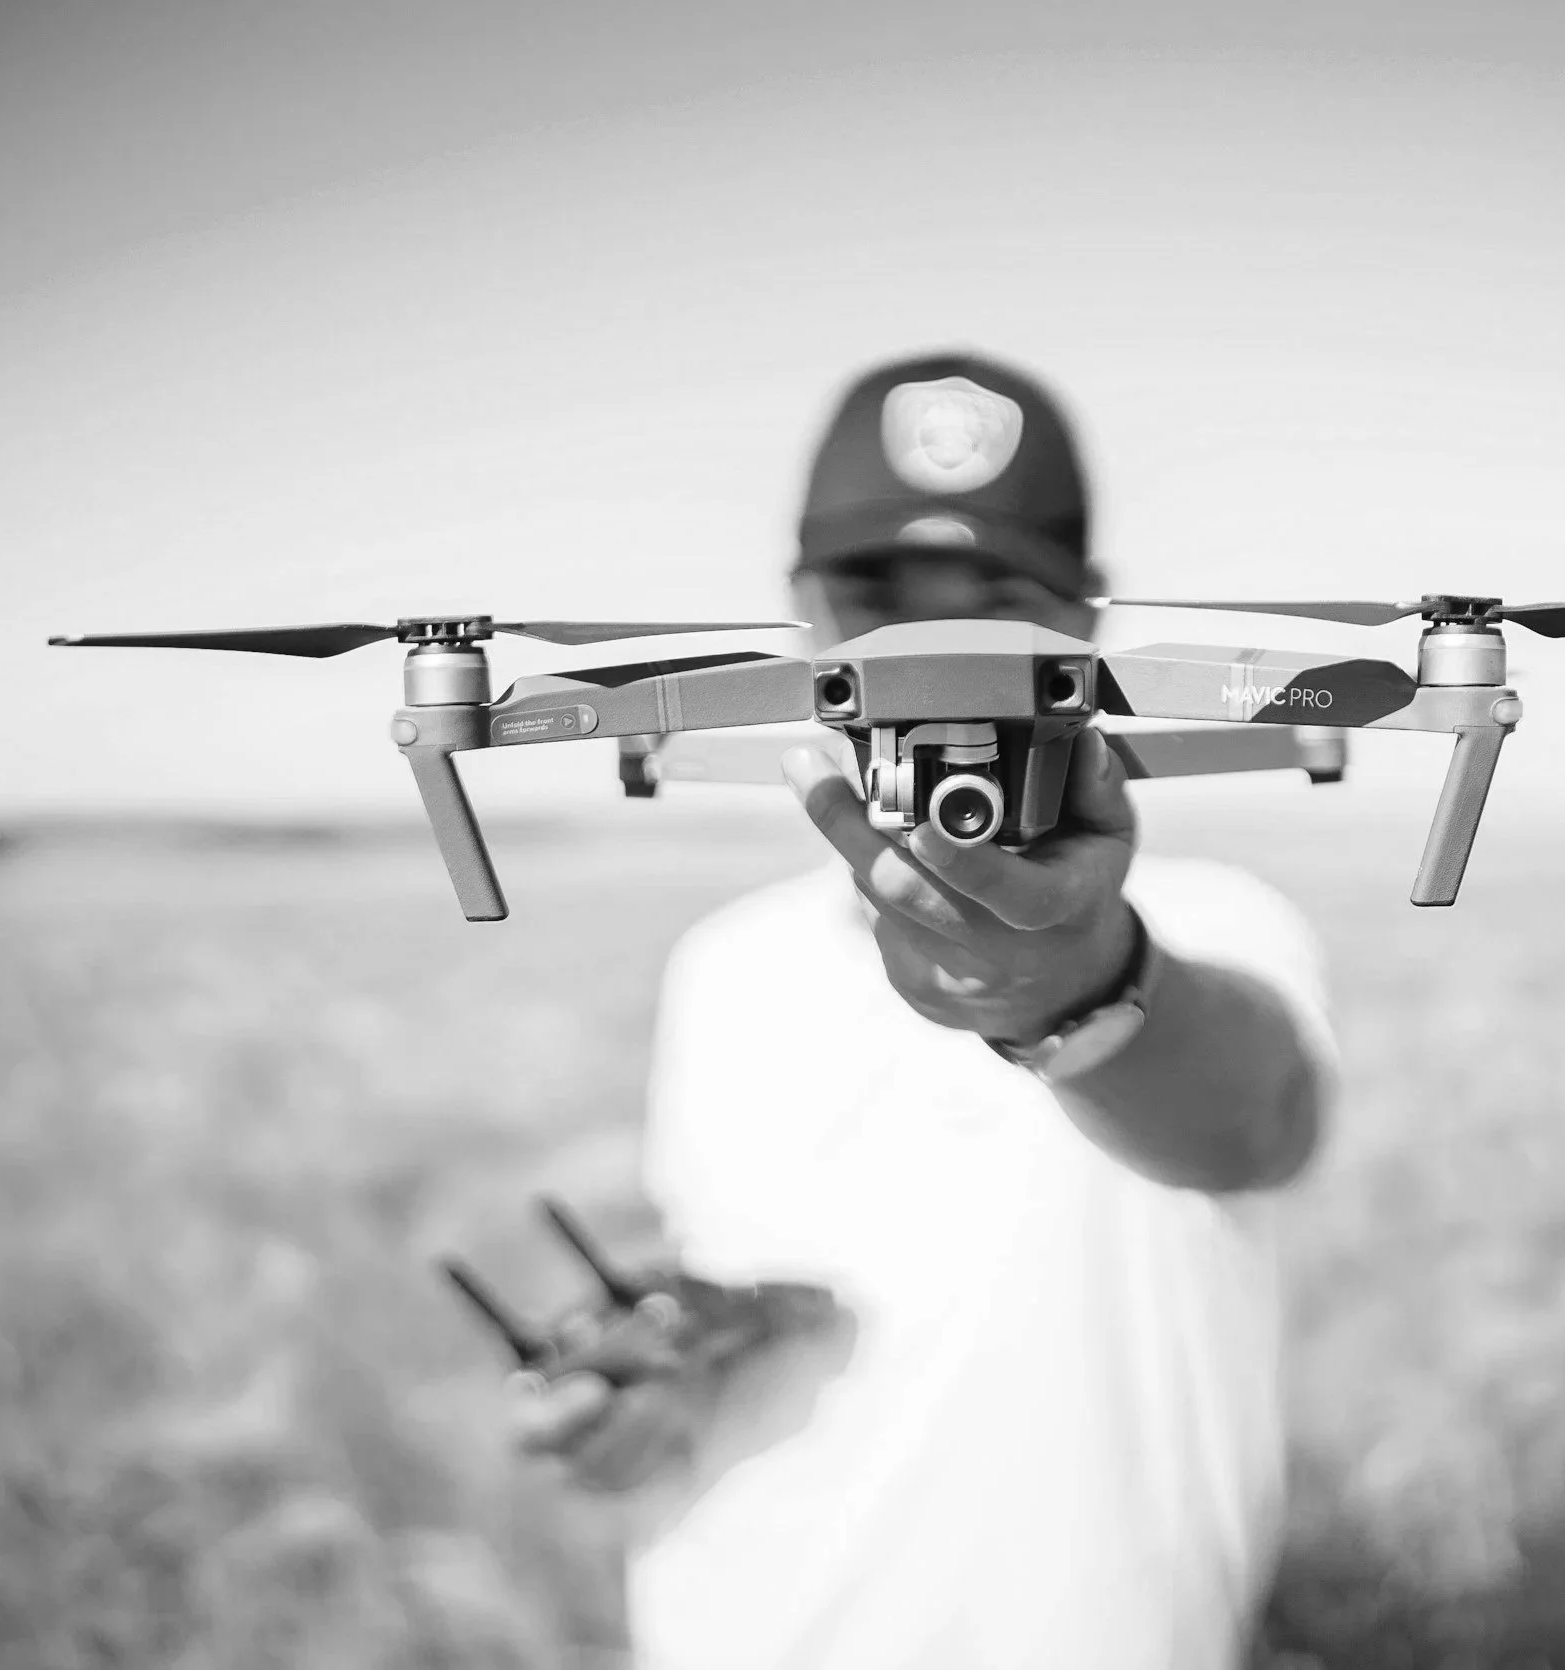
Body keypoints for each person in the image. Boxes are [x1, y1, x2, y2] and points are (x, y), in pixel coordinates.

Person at [511, 350, 1339, 1670]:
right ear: (802, 609)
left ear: (1086, 618)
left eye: (993, 607)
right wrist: (654, 1381)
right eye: (882, 601)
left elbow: (1246, 1121)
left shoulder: (1222, 925)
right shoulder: (722, 968)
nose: (937, 655)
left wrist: (1081, 981)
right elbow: (759, 1284)